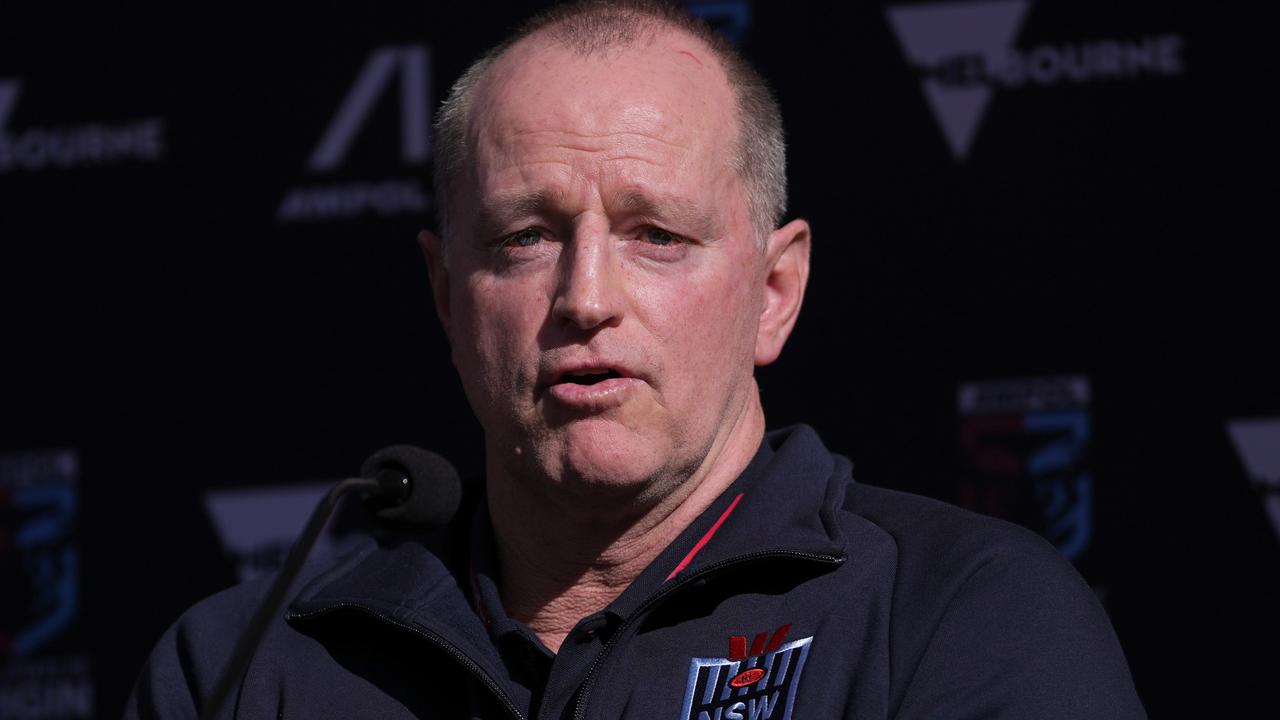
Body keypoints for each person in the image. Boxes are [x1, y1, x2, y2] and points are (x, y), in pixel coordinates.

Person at [126, 1, 1146, 718]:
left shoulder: (954, 615)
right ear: (446, 295)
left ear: (773, 292)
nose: (584, 298)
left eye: (654, 234)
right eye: (524, 236)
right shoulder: (244, 671)